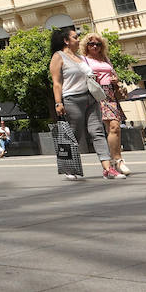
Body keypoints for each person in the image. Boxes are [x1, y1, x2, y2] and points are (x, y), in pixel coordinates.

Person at [50, 26, 119, 180]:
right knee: (74, 135)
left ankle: (108, 168)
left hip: (91, 98)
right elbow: (57, 83)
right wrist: (58, 103)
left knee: (97, 132)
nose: (78, 39)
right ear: (66, 41)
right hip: (72, 100)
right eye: (75, 37)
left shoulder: (80, 58)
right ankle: (69, 168)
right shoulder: (58, 57)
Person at [82, 32, 132, 176]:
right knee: (107, 128)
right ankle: (111, 162)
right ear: (86, 46)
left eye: (98, 44)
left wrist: (116, 81)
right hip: (96, 94)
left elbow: (114, 74)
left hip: (110, 93)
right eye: (91, 44)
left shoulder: (105, 59)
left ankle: (118, 160)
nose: (95, 46)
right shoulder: (84, 60)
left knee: (115, 127)